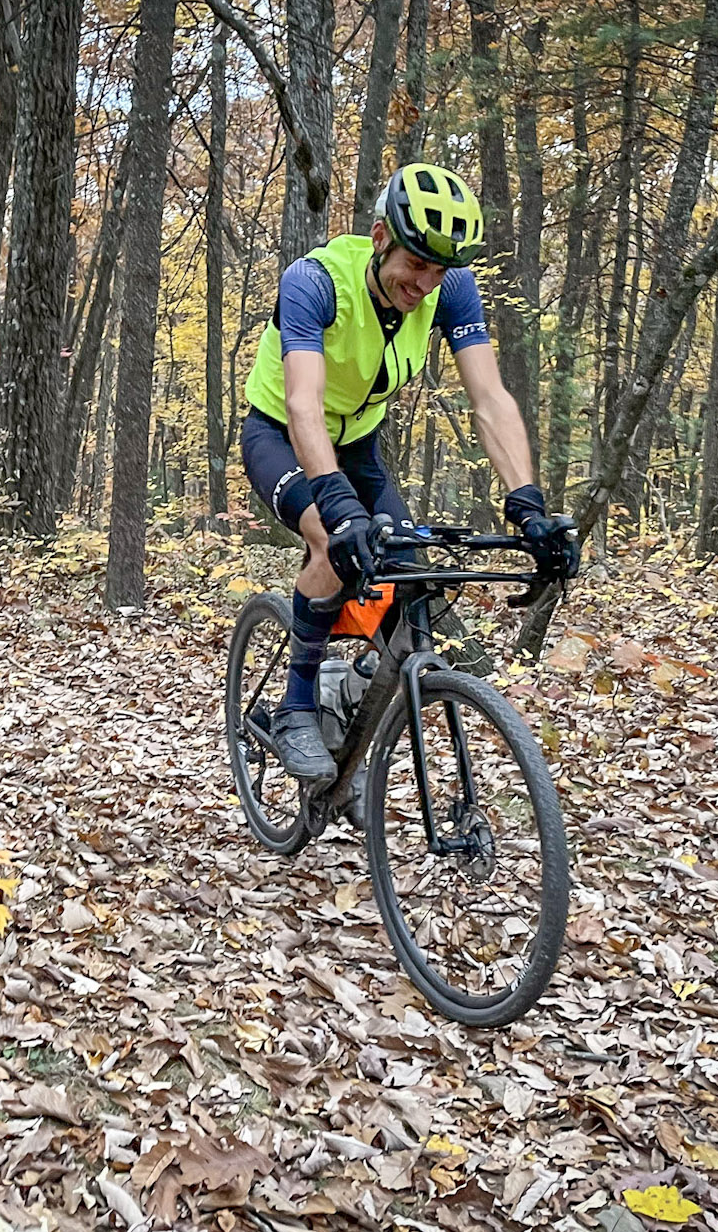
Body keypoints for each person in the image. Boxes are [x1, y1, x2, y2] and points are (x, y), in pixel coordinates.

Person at [240, 161, 580, 783]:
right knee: (330, 539)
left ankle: (354, 690)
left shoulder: (451, 289)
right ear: (378, 238)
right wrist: (337, 506)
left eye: (438, 269)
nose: (425, 283)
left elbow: (491, 399)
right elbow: (303, 406)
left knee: (400, 562)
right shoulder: (315, 282)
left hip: (360, 445)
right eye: (415, 264)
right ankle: (294, 704)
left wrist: (527, 503)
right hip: (282, 438)